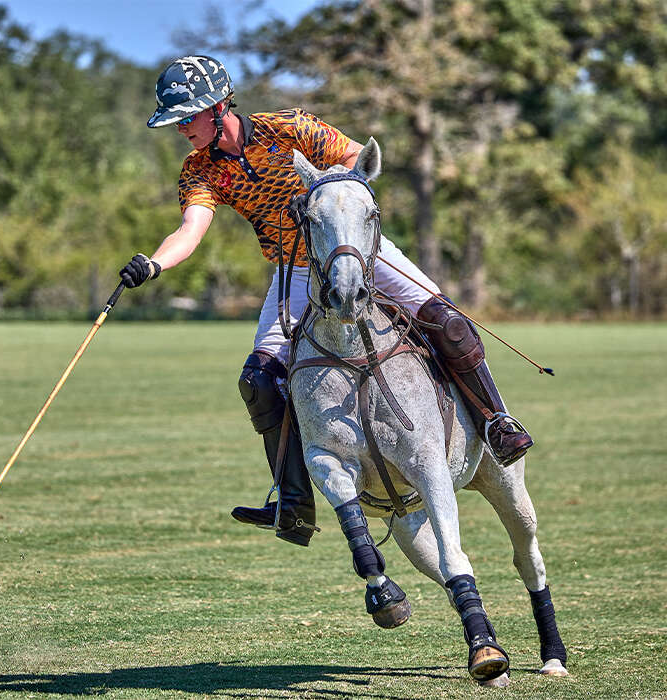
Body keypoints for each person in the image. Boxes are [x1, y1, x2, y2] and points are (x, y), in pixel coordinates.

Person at [119, 55, 533, 547]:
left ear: (217, 105)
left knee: (450, 324)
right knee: (258, 380)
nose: (182, 129)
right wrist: (154, 263)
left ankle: (496, 425)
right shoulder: (200, 171)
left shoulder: (289, 128)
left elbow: (358, 158)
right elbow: (191, 229)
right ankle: (293, 503)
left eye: (186, 117)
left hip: (354, 248)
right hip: (294, 268)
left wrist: (327, 197)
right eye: (177, 121)